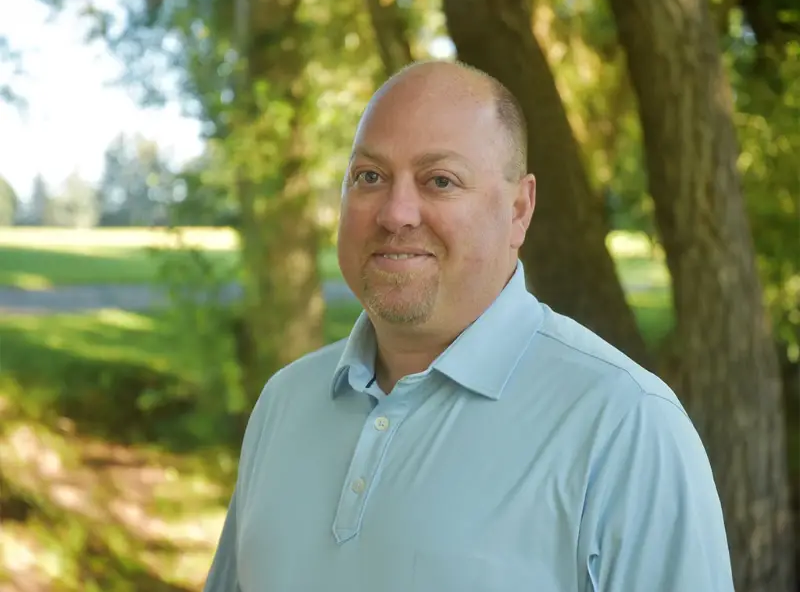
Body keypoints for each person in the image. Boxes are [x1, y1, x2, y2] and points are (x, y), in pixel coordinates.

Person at [202, 60, 735, 591]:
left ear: (519, 210)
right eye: (370, 177)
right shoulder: (286, 401)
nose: (396, 213)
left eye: (440, 180)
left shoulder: (625, 424)